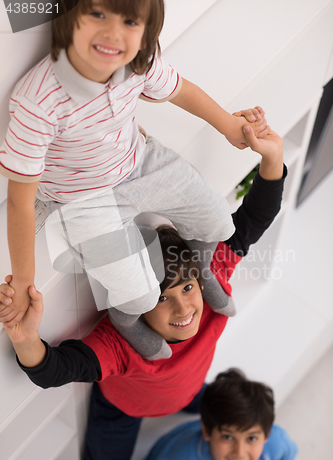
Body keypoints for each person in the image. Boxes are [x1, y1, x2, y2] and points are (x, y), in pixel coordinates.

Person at [0, 126, 285, 460]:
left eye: (186, 288)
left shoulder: (210, 276)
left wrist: (272, 155)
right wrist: (24, 338)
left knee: (246, 412)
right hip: (123, 409)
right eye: (161, 299)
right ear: (136, 305)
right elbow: (55, 370)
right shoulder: (119, 344)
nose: (184, 307)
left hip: (189, 390)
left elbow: (254, 218)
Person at [0, 0, 269, 361]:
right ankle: (126, 322)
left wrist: (227, 125)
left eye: (129, 21)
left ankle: (201, 272)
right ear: (69, 16)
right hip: (82, 200)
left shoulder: (137, 61)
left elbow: (181, 90)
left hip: (140, 161)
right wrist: (22, 280)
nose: (113, 33)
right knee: (140, 296)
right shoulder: (39, 102)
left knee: (218, 221)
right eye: (97, 14)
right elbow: (18, 199)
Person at [131, 369, 303, 460]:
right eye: (227, 437)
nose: (240, 453)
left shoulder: (276, 442)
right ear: (207, 431)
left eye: (251, 438)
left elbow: (281, 459)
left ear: (267, 435)